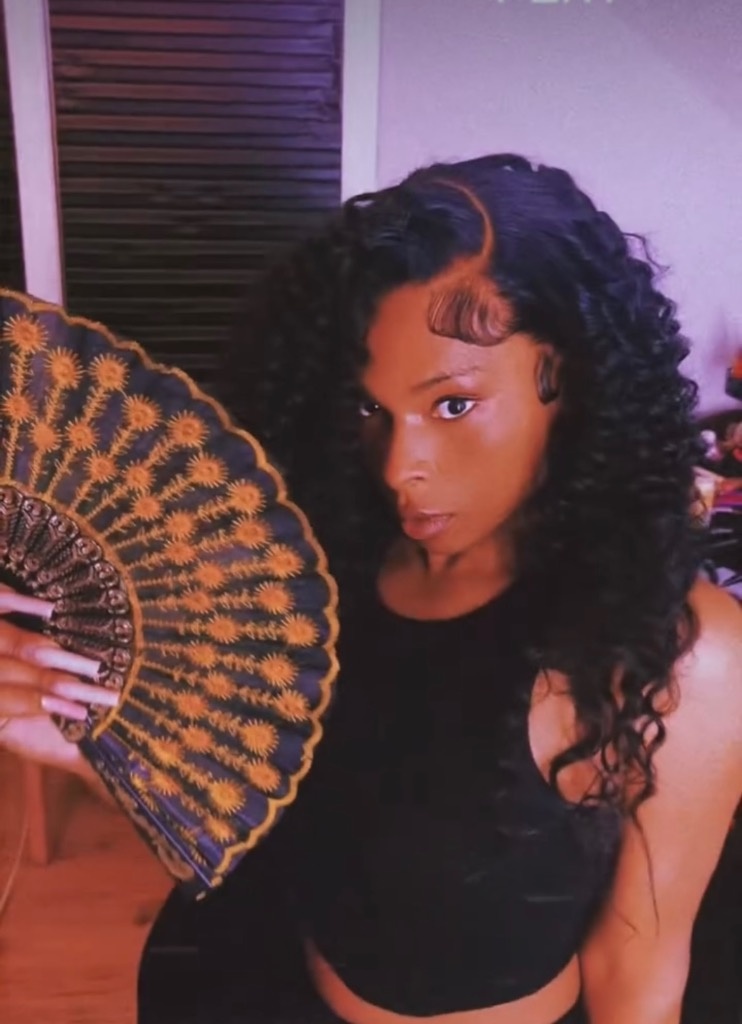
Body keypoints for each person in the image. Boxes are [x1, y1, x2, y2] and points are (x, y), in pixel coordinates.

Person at [1, 153, 741, 1024]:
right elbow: (268, 836)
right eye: (368, 409)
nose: (400, 467)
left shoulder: (673, 650)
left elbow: (638, 968)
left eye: (453, 405)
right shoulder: (315, 570)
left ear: (571, 382)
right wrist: (98, 752)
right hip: (255, 983)